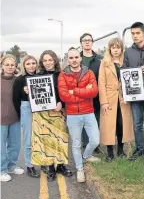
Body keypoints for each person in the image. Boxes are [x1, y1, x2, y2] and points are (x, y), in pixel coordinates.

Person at [58, 48, 100, 183]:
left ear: (80, 58)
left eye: (76, 57)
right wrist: (84, 93)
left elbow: (94, 92)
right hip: (72, 115)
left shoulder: (89, 73)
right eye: (71, 58)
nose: (74, 60)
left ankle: (86, 155)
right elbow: (64, 96)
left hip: (88, 112)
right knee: (76, 143)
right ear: (67, 60)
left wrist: (75, 91)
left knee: (95, 140)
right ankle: (79, 169)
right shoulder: (63, 75)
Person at [31, 50, 72, 182]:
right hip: (43, 113)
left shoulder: (62, 75)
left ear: (55, 60)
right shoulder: (37, 76)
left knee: (61, 139)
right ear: (42, 63)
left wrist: (62, 103)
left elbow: (67, 92)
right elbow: (33, 95)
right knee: (47, 140)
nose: (48, 63)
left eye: (50, 60)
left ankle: (61, 166)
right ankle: (50, 168)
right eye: (45, 60)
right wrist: (27, 90)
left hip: (58, 112)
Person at [123, 22, 144, 161]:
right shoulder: (128, 52)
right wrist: (126, 94)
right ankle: (139, 149)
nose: (135, 36)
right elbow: (124, 72)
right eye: (133, 33)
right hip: (135, 95)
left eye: (138, 33)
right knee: (137, 124)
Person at [99, 38, 134, 162]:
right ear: (110, 49)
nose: (115, 50)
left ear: (121, 49)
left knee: (121, 124)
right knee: (109, 126)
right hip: (109, 99)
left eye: (118, 47)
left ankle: (120, 150)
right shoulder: (104, 62)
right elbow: (101, 83)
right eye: (113, 47)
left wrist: (128, 97)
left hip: (123, 99)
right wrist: (103, 102)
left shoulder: (125, 62)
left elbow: (129, 81)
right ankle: (109, 153)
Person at [13, 55, 40, 177]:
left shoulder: (41, 77)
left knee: (40, 136)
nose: (31, 65)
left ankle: (43, 162)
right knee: (28, 138)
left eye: (33, 63)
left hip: (40, 108)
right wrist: (20, 116)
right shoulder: (20, 79)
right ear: (24, 65)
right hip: (26, 108)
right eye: (28, 63)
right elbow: (15, 99)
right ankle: (29, 165)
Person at [0, 55, 24, 182]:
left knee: (14, 144)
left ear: (15, 66)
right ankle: (2, 169)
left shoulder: (18, 80)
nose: (9, 67)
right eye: (7, 64)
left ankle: (11, 165)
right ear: (2, 65)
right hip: (0, 119)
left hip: (15, 117)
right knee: (1, 146)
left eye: (12, 65)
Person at [79, 33, 102, 150]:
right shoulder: (76, 58)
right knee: (83, 122)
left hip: (95, 95)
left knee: (95, 120)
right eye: (84, 40)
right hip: (81, 96)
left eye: (89, 40)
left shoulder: (99, 59)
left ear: (92, 42)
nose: (87, 42)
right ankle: (85, 144)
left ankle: (94, 145)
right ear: (81, 43)